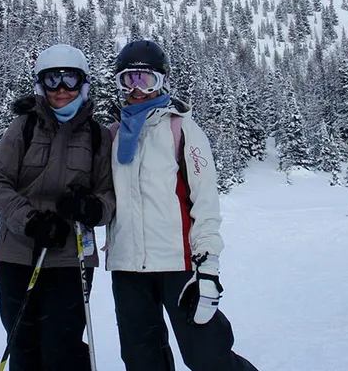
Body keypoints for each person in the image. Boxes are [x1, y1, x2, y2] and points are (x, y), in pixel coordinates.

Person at [106, 39, 259, 371]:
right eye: (127, 79)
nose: (136, 89)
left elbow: (205, 203)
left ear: (161, 81)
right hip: (128, 268)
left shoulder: (182, 129)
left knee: (207, 356)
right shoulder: (114, 135)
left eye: (145, 79)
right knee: (142, 360)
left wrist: (208, 267)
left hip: (179, 265)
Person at [0, 43, 115, 371]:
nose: (61, 90)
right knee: (24, 345)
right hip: (17, 252)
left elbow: (111, 195)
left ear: (83, 84)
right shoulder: (24, 127)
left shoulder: (98, 137)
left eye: (69, 80)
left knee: (62, 345)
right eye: (52, 80)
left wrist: (91, 208)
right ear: (40, 85)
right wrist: (29, 221)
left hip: (71, 258)